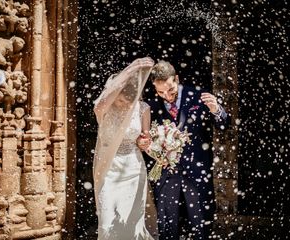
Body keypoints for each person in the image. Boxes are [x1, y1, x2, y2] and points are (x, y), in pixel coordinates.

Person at [139, 60, 230, 240]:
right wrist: (144, 143)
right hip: (166, 172)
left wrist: (217, 110)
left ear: (177, 79)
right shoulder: (151, 106)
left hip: (196, 170)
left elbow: (223, 124)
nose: (167, 96)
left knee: (200, 221)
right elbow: (145, 137)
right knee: (166, 223)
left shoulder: (198, 96)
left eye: (171, 90)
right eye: (161, 92)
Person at [93, 57, 156, 240]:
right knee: (107, 224)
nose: (125, 106)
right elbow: (101, 103)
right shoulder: (104, 109)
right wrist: (132, 69)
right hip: (109, 168)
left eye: (130, 102)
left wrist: (144, 142)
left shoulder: (143, 108)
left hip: (134, 169)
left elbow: (145, 138)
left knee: (132, 223)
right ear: (115, 96)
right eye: (121, 101)